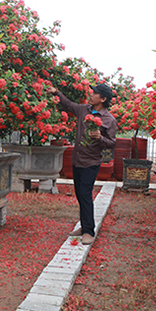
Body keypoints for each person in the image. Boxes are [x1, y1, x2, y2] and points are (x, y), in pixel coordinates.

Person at [47, 83, 117, 245]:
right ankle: (84, 225)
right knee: (79, 194)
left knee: (85, 194)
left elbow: (112, 143)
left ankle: (88, 231)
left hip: (91, 162)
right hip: (77, 160)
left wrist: (100, 138)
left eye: (95, 93)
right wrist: (57, 92)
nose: (91, 95)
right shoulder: (84, 110)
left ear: (103, 98)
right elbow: (68, 104)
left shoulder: (108, 119)